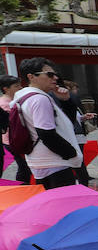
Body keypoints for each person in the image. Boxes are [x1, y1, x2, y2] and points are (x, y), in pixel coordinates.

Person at [12, 58, 84, 189]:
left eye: (55, 74)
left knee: (52, 199)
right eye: (49, 74)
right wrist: (71, 153)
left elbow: (65, 123)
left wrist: (66, 101)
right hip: (55, 161)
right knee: (65, 200)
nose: (55, 78)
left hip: (39, 160)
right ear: (31, 77)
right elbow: (46, 133)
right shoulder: (40, 99)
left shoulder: (23, 97)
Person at [0, 75, 29, 183]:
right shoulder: (4, 104)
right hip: (12, 140)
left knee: (25, 167)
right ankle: (23, 186)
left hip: (19, 138)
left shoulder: (16, 100)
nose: (20, 88)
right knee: (24, 167)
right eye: (16, 86)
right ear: (6, 89)